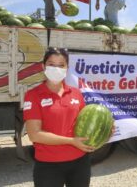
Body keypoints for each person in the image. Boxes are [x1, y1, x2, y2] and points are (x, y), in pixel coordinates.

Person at [23, 47, 93, 187]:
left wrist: (106, 129)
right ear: (43, 66)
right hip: (49, 166)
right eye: (51, 65)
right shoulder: (33, 95)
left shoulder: (76, 93)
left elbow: (86, 125)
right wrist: (71, 141)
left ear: (67, 68)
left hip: (80, 162)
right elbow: (34, 135)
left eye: (61, 65)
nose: (56, 69)